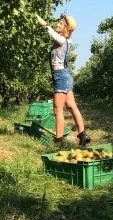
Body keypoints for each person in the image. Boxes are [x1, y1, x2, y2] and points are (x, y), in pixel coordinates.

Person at [36, 13, 91, 147]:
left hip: (61, 76)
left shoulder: (61, 40)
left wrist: (39, 19)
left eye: (61, 23)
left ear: (66, 29)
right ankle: (83, 135)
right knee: (72, 107)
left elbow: (50, 31)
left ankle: (59, 140)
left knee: (57, 110)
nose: (57, 24)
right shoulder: (66, 41)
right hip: (65, 76)